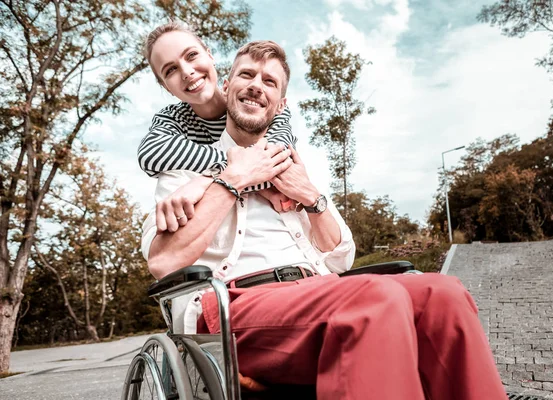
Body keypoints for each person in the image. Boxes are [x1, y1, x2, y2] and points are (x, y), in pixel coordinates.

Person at [141, 38, 507, 400]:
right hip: (238, 303)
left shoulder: (290, 168)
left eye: (269, 82)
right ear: (227, 85)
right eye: (246, 75)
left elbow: (341, 257)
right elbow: (163, 261)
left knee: (444, 295)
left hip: (318, 288)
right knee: (374, 299)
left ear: (280, 104)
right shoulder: (183, 173)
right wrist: (230, 180)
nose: (256, 86)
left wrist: (311, 198)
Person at [139, 21, 297, 234]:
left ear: (209, 55)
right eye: (170, 70)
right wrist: (235, 174)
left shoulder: (259, 107)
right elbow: (150, 154)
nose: (187, 72)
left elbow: (277, 162)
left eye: (192, 55)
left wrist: (202, 179)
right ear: (165, 86)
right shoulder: (172, 119)